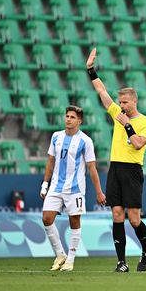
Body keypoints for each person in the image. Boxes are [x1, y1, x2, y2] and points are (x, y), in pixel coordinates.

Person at [86, 48, 146, 273]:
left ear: (134, 101)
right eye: (120, 102)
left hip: (133, 170)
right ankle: (121, 262)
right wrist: (91, 70)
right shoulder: (117, 112)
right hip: (116, 168)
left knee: (134, 218)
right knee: (116, 213)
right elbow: (101, 91)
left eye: (125, 102)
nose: (121, 105)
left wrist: (126, 124)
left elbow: (137, 143)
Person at [40, 105, 106, 272]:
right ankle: (60, 254)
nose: (68, 119)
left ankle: (70, 259)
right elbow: (50, 161)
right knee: (47, 218)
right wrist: (45, 183)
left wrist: (99, 192)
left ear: (79, 121)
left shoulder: (85, 141)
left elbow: (92, 168)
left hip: (75, 188)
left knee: (74, 222)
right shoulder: (56, 137)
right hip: (55, 186)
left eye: (72, 117)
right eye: (67, 116)